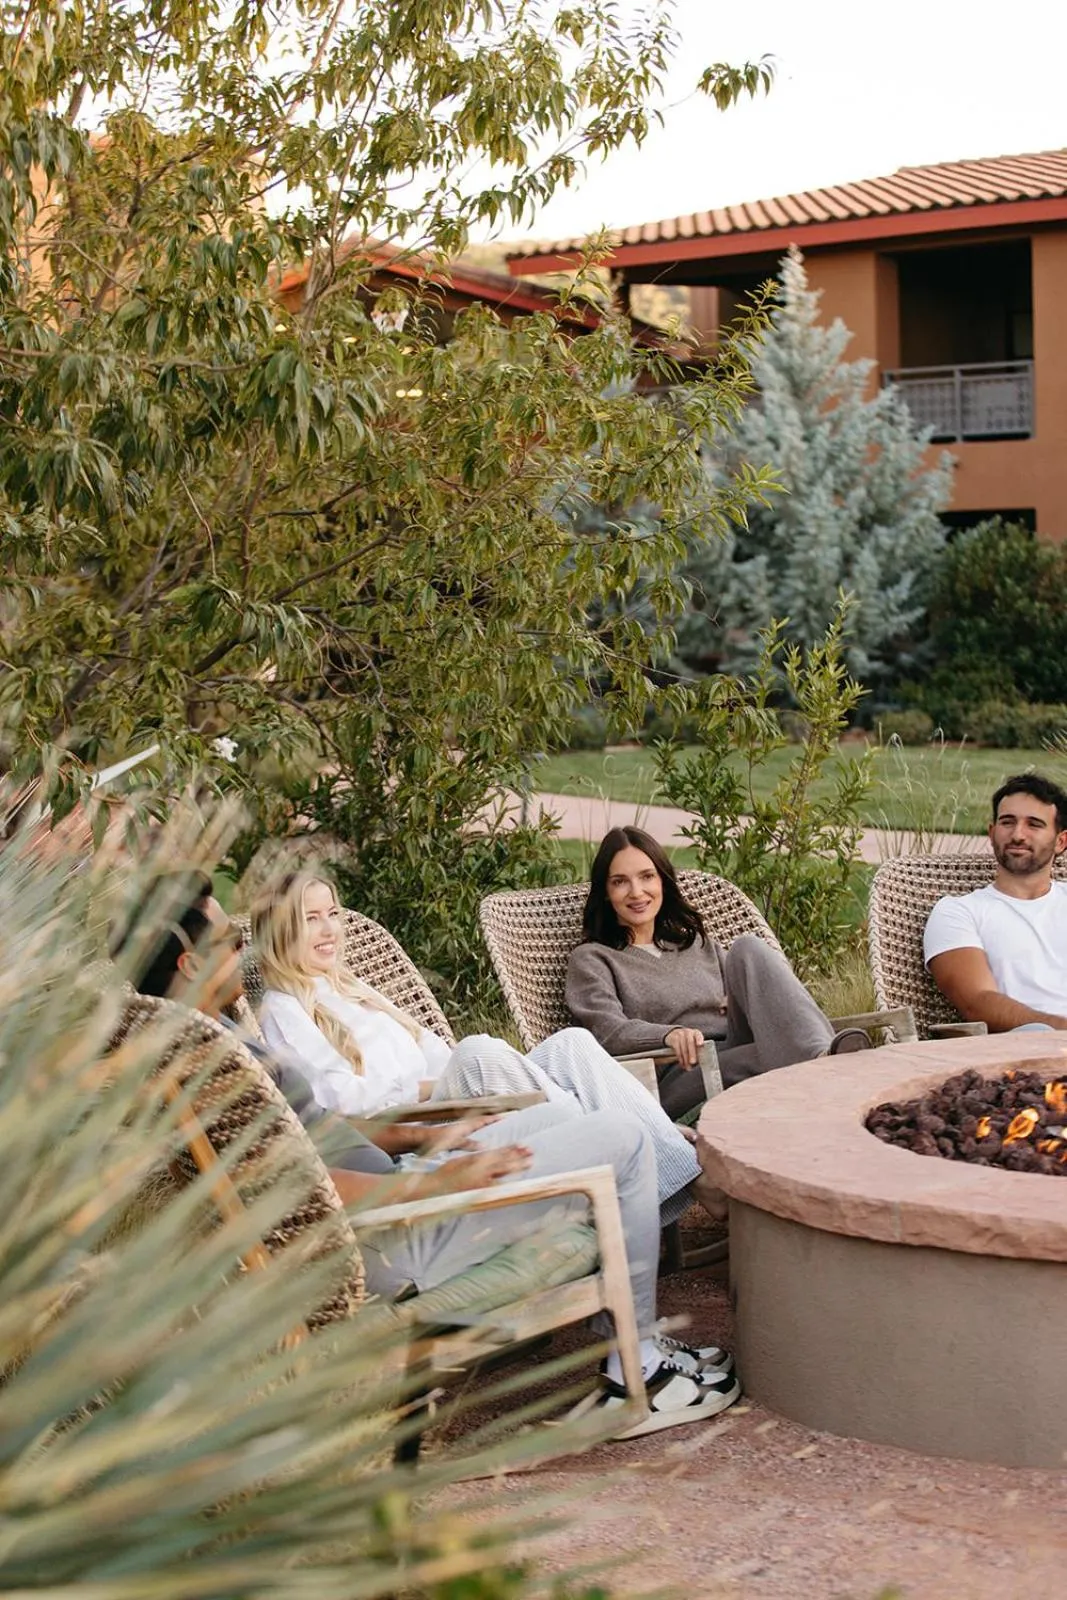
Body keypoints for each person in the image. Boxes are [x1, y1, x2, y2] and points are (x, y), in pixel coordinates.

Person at [110, 869, 739, 1436]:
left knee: (575, 1117)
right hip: (397, 1232)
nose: (242, 950)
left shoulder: (215, 1036)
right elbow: (294, 1183)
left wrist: (418, 1139)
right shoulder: (212, 1068)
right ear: (190, 963)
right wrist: (435, 1183)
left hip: (406, 1181)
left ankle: (633, 1332)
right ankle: (638, 1370)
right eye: (227, 942)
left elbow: (320, 1129)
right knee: (620, 1138)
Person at [252, 871, 727, 1226]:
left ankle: (666, 1156)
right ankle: (668, 1158)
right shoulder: (284, 1008)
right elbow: (340, 1101)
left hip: (443, 1097)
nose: (329, 929)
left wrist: (441, 1075)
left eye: (332, 914)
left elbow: (435, 1051)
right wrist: (427, 1086)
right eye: (310, 919)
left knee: (571, 1044)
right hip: (413, 1129)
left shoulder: (351, 989)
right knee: (478, 1051)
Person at [565, 827, 871, 1119]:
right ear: (605, 893)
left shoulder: (696, 944)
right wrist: (668, 1034)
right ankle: (826, 1065)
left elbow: (750, 989)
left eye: (647, 876)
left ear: (662, 882)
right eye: (620, 881)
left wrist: (735, 996)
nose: (637, 891)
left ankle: (820, 1058)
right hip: (681, 1072)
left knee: (748, 947)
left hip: (735, 1043)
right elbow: (607, 1031)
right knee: (777, 1054)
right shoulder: (593, 958)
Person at [924, 773, 1067, 1032]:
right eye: (1007, 822)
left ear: (1061, 841)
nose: (1018, 835)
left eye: (1034, 824)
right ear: (992, 833)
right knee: (1037, 1032)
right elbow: (977, 1004)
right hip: (1024, 1045)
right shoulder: (958, 912)